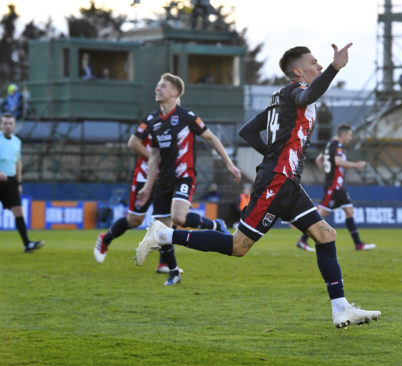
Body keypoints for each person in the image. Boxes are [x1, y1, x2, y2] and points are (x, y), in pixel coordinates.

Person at [135, 43, 381, 328]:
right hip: (277, 181)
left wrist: (273, 155)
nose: (320, 65)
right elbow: (309, 94)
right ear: (298, 71)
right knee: (238, 246)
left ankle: (341, 309)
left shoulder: (281, 98)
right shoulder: (295, 92)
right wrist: (336, 67)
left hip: (287, 180)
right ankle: (164, 236)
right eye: (314, 62)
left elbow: (247, 131)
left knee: (325, 235)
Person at [135, 72, 241, 285]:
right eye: (158, 85)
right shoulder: (155, 122)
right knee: (162, 229)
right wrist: (148, 186)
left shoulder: (186, 116)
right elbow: (154, 156)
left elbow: (211, 138)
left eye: (162, 86)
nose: (157, 89)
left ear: (174, 92)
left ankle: (213, 224)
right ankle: (174, 271)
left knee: (180, 218)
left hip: (184, 175)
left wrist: (228, 163)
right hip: (162, 181)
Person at [93, 128, 171, 273]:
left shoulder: (181, 120)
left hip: (166, 178)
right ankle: (106, 238)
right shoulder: (151, 121)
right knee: (135, 220)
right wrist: (157, 161)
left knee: (166, 219)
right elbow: (134, 143)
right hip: (144, 177)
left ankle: (164, 262)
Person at [296, 124, 376, 252]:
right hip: (334, 185)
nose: (350, 138)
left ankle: (358, 244)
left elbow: (318, 159)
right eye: (349, 135)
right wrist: (356, 165)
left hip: (336, 185)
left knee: (349, 211)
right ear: (343, 135)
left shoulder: (330, 145)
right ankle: (302, 240)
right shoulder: (337, 146)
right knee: (322, 213)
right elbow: (338, 162)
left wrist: (327, 172)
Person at [0, 113, 44, 252]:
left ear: (14, 125)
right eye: (5, 123)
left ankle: (27, 244)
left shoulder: (17, 141)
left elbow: (18, 163)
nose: (8, 126)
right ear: (1, 124)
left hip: (11, 181)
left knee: (18, 212)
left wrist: (19, 183)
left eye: (10, 123)